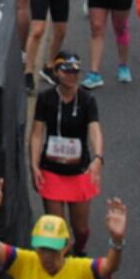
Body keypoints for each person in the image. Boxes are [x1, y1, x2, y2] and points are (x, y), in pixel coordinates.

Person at [0, 178, 126, 279]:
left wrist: (117, 239)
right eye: (42, 249)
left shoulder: (80, 270)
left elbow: (109, 267)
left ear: (66, 247)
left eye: (53, 250)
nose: (47, 257)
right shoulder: (23, 263)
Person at [29, 51, 103, 254]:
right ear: (56, 72)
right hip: (51, 171)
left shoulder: (87, 100)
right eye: (67, 71)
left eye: (76, 72)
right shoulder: (46, 98)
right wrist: (34, 165)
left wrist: (98, 157)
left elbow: (94, 129)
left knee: (81, 229)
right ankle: (62, 263)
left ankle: (79, 250)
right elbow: (37, 134)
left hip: (79, 171)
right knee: (57, 229)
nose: (72, 76)